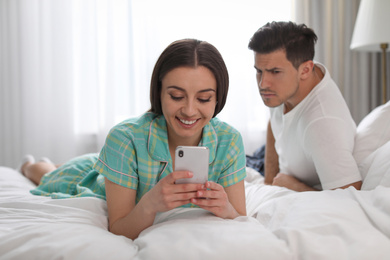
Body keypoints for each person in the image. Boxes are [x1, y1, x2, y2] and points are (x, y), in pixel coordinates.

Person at [21, 39, 247, 239]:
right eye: (176, 96)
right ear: (158, 92)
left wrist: (226, 208)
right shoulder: (124, 138)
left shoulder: (229, 140)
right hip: (97, 177)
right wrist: (150, 204)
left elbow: (239, 217)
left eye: (204, 98)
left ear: (218, 99)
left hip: (119, 166)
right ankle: (29, 164)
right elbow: (118, 228)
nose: (189, 110)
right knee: (47, 174)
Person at [248, 21, 362, 192]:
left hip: (293, 178)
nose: (263, 84)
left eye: (275, 72)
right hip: (273, 162)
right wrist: (269, 183)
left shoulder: (323, 125)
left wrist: (293, 186)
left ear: (306, 70)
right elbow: (274, 122)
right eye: (259, 71)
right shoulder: (284, 87)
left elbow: (349, 197)